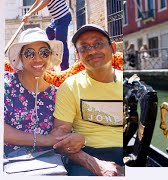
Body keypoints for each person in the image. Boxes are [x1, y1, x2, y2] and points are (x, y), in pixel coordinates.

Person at [52, 24, 124, 176]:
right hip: (87, 154)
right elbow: (59, 141)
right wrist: (94, 164)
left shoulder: (130, 84)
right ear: (78, 56)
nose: (92, 51)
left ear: (113, 48)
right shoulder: (70, 87)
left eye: (98, 44)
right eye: (84, 48)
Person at [4, 27, 84, 158]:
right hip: (8, 165)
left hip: (49, 165)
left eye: (44, 52)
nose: (37, 59)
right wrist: (46, 139)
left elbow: (63, 135)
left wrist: (79, 138)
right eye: (29, 53)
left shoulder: (57, 95)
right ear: (20, 57)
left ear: (50, 56)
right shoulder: (5, 84)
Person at [22, 0, 72, 70]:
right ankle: (53, 54)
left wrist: (29, 14)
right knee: (49, 31)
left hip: (63, 17)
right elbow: (37, 3)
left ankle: (65, 68)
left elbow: (45, 2)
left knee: (61, 42)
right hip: (56, 19)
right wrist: (26, 15)